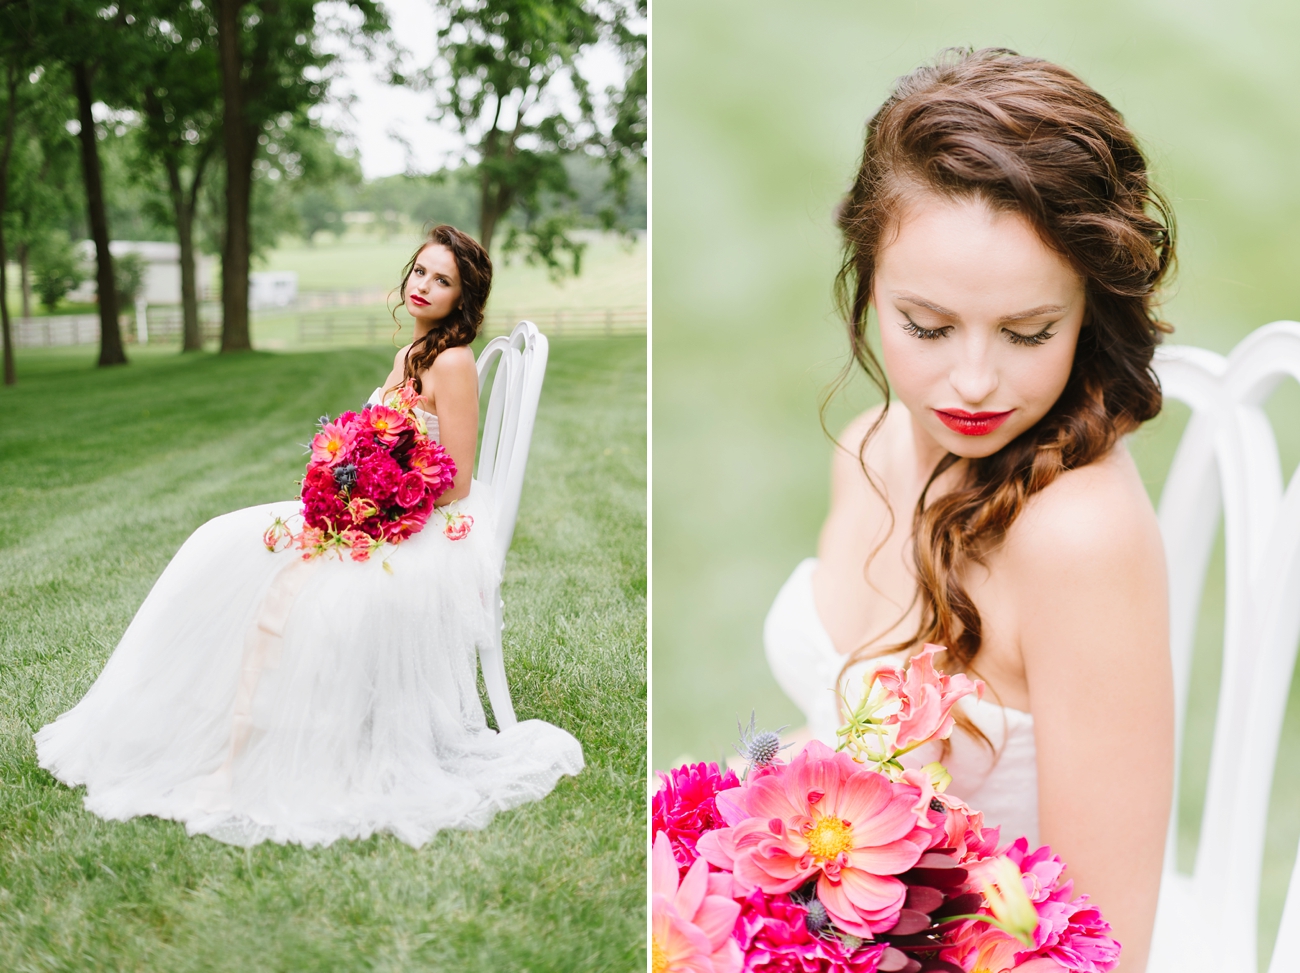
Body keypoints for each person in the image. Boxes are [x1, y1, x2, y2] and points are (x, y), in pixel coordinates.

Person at [762, 50, 1174, 969]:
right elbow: (839, 738)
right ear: (866, 285)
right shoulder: (868, 446)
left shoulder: (1080, 538)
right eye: (928, 326)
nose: (976, 382)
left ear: (1089, 312)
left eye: (1030, 332)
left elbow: (1100, 947)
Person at [35, 224, 584, 848]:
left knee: (318, 583)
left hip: (428, 522)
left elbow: (455, 479)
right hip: (373, 508)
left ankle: (290, 736)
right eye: (420, 272)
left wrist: (377, 501)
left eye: (443, 280)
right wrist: (345, 477)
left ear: (463, 298)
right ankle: (203, 726)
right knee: (219, 541)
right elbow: (378, 435)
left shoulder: (453, 361)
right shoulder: (410, 356)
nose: (424, 286)